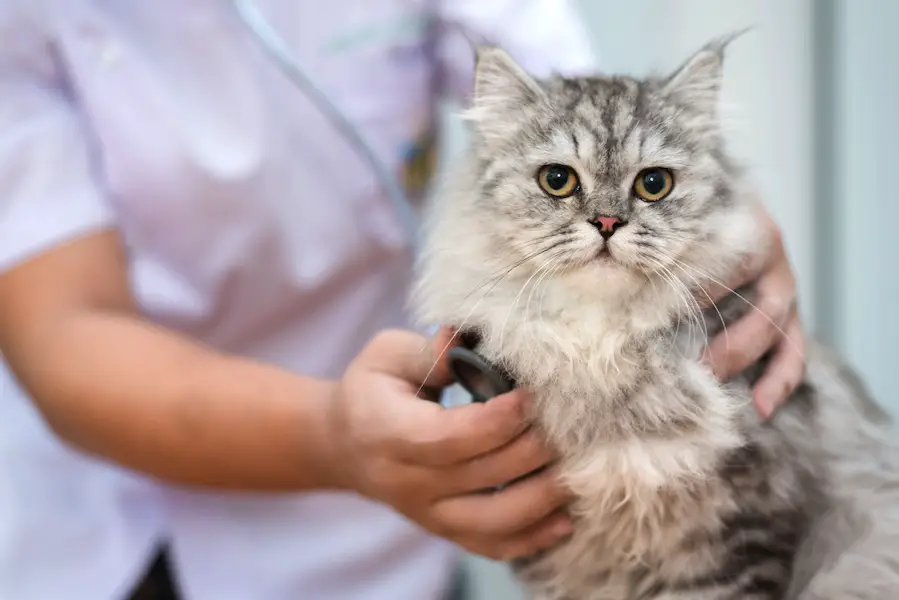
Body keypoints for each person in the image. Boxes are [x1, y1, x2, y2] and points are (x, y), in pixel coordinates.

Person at [0, 1, 806, 599]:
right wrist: (331, 441)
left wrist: (708, 204)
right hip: (109, 521)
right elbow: (64, 329)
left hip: (394, 532)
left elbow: (576, 103)